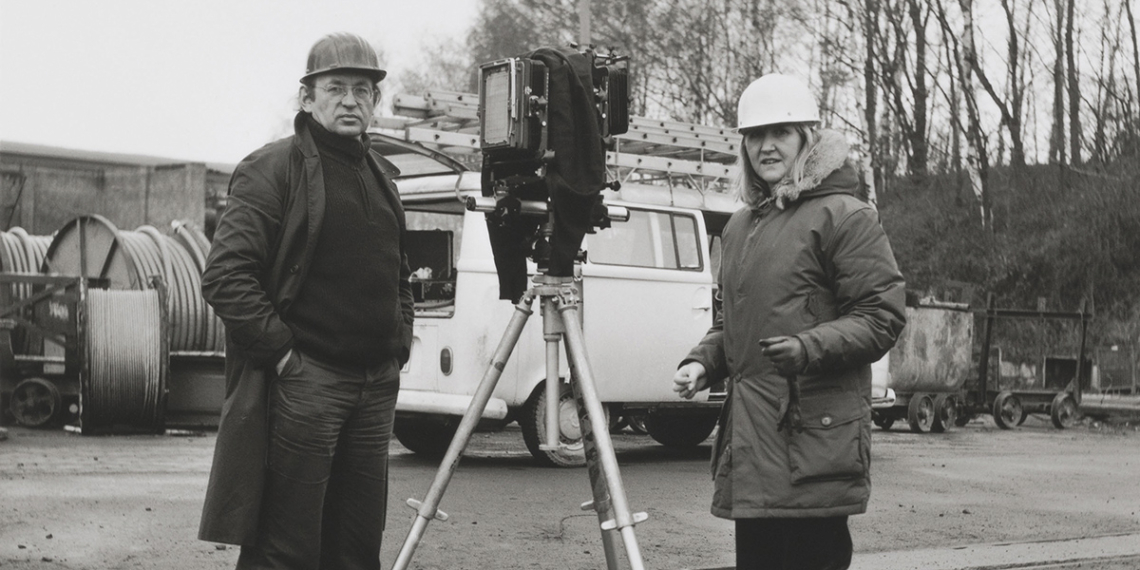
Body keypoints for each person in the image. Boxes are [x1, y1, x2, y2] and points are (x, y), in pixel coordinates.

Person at [197, 32, 414, 570]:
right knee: (287, 544)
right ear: (307, 97)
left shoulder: (382, 175)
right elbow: (226, 275)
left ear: (375, 101)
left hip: (374, 386)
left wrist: (399, 341)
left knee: (357, 543)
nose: (349, 100)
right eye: (335, 87)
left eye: (362, 90)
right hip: (308, 382)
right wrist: (285, 356)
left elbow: (398, 271)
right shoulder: (273, 168)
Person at [673, 73, 906, 570]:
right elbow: (732, 322)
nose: (766, 146)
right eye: (755, 135)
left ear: (807, 137)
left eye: (780, 132)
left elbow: (882, 316)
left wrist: (808, 347)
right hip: (752, 444)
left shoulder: (846, 216)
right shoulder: (740, 224)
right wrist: (704, 362)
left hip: (812, 443)